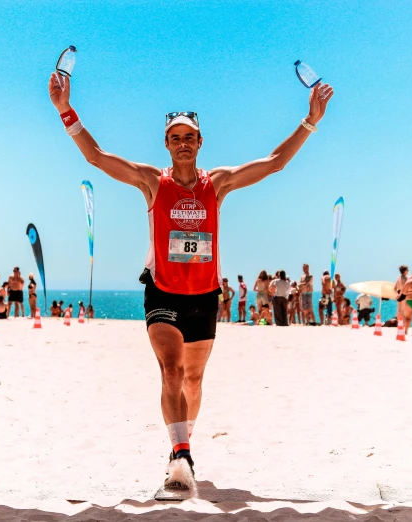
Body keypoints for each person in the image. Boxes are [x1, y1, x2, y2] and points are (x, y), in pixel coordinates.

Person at [49, 68, 333, 491]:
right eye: (175, 137)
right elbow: (97, 157)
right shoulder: (151, 181)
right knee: (171, 372)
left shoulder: (216, 184)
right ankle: (180, 456)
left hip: (204, 295)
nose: (183, 143)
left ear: (200, 142)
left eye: (190, 137)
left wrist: (311, 120)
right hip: (162, 291)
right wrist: (65, 109)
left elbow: (275, 163)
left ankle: (183, 441)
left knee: (194, 379)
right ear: (166, 144)